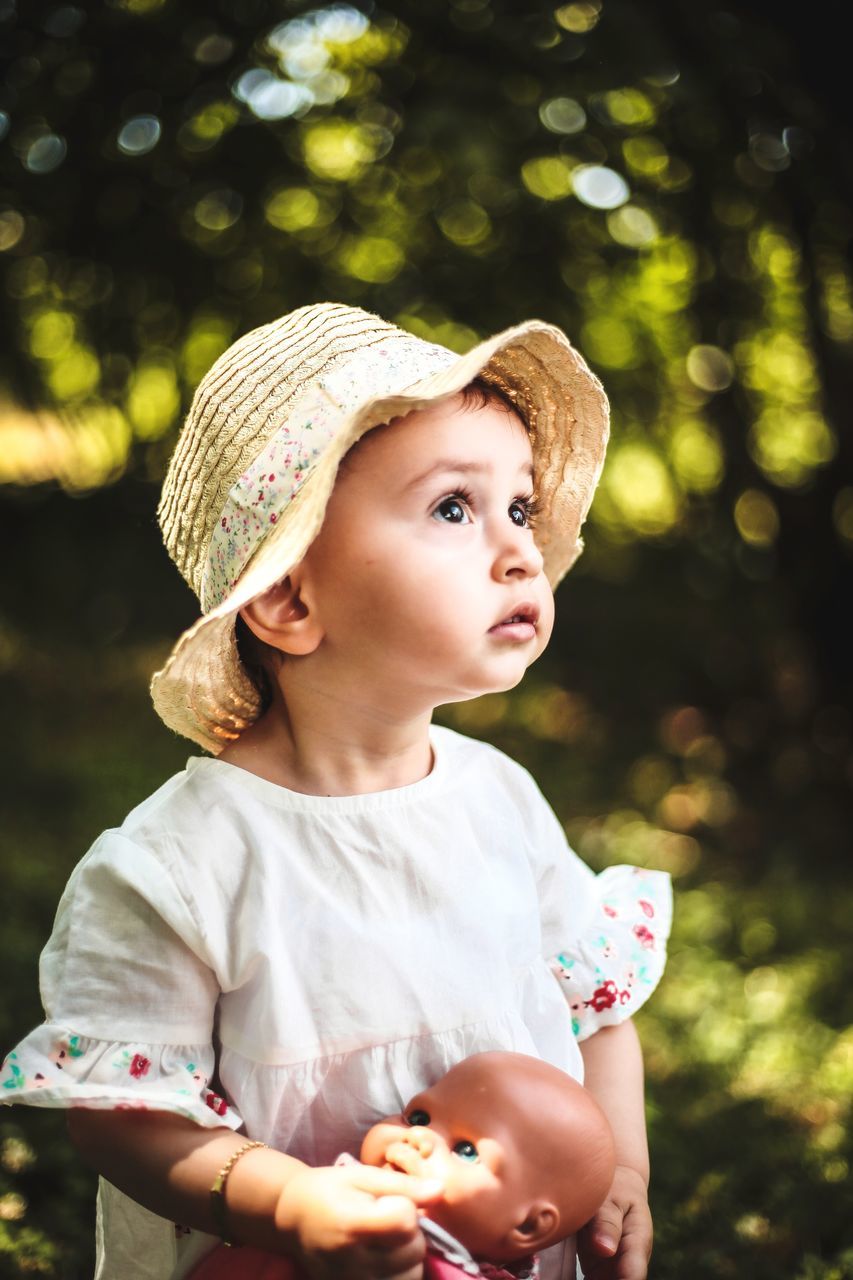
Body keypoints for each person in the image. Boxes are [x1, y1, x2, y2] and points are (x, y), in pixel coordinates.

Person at [1, 303, 672, 1280]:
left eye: (519, 506)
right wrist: (288, 1200)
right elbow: (126, 1122)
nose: (521, 547)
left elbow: (593, 1006)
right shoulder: (178, 866)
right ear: (288, 597)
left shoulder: (500, 799)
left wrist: (621, 1164)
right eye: (454, 507)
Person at [189, 1051, 618, 1280]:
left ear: (527, 1227)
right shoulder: (322, 1192)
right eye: (418, 1117)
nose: (417, 1137)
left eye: (466, 1150)